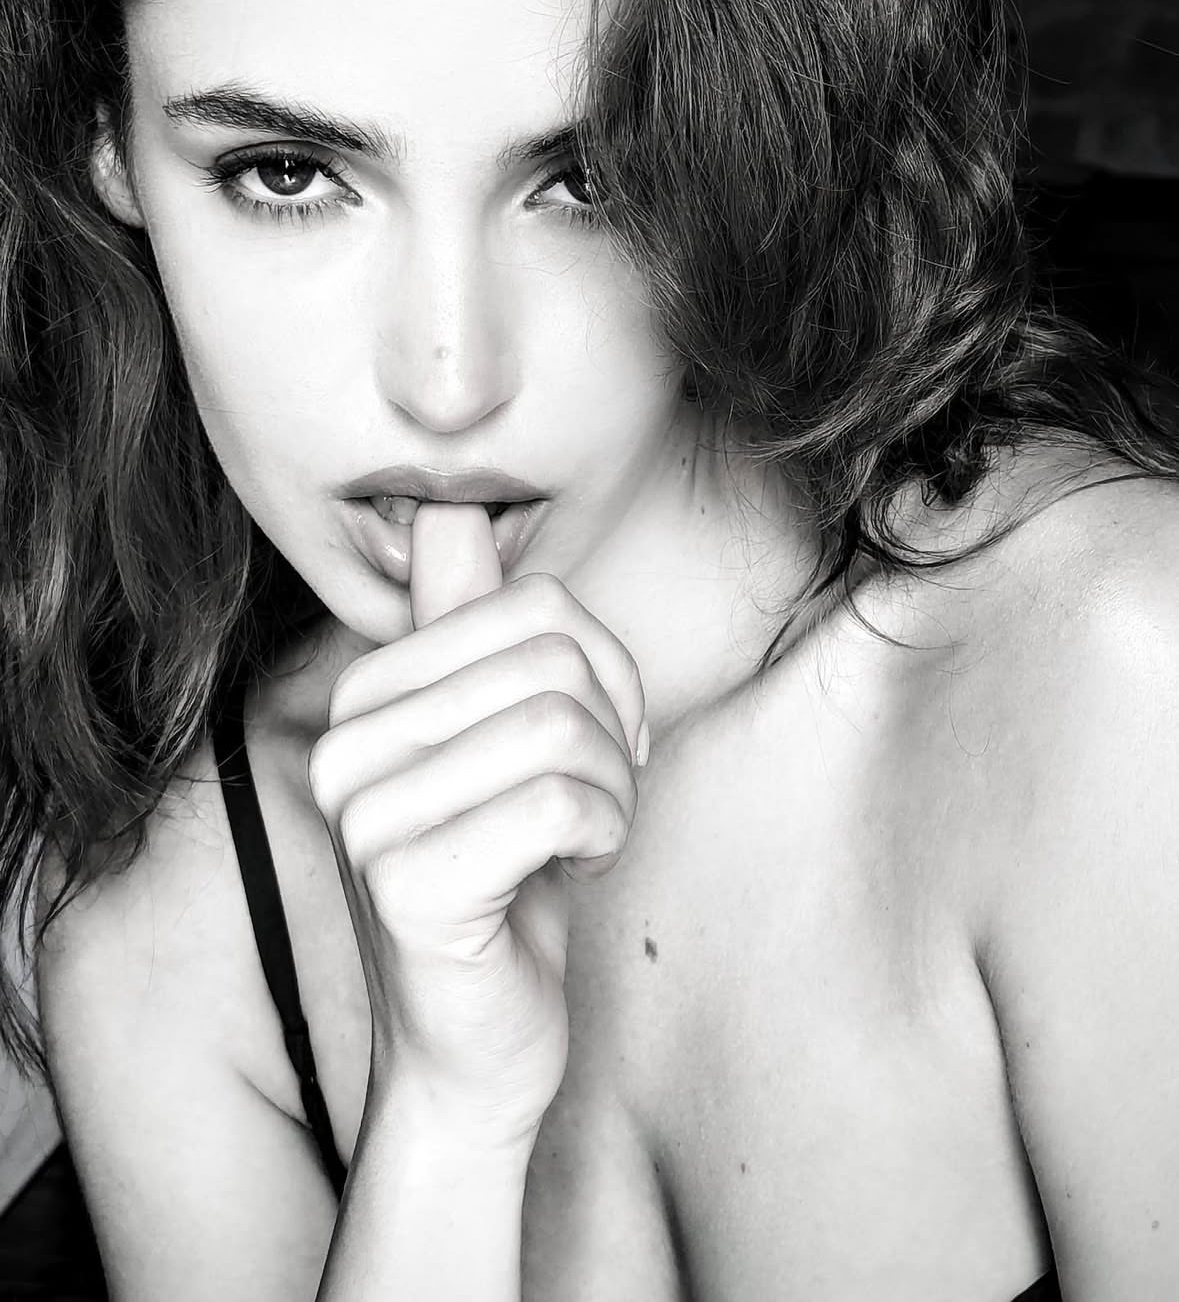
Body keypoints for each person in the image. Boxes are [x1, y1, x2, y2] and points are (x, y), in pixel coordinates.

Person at [2, 0, 1178, 1296]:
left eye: (586, 179)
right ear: (108, 143)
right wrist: (444, 1121)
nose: (448, 384)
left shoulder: (1110, 673)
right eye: (287, 174)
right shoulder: (169, 943)